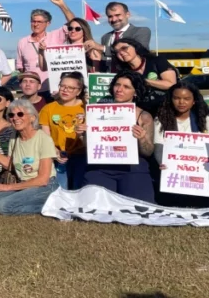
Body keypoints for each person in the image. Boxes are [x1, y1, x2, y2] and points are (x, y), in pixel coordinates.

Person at [78, 71, 157, 202]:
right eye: (117, 85)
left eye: (126, 87)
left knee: (138, 209)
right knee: (94, 207)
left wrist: (142, 138)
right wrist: (82, 135)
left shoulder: (144, 116)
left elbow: (148, 152)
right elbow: (88, 147)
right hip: (101, 168)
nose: (119, 89)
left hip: (133, 169)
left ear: (135, 92)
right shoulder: (97, 112)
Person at [153, 82, 209, 208]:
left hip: (201, 166)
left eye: (186, 98)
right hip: (174, 168)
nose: (181, 102)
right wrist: (162, 163)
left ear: (194, 101)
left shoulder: (205, 117)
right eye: (176, 98)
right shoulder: (161, 119)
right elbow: (159, 147)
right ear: (170, 100)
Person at [0, 98, 58, 215]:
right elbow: (10, 165)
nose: (15, 118)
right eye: (11, 115)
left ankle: (54, 207)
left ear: (32, 117)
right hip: (24, 184)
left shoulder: (43, 139)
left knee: (3, 207)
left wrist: (8, 187)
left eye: (20, 114)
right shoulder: (14, 136)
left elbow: (43, 180)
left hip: (44, 186)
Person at [15, 0, 77, 91]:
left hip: (53, 89)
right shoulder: (23, 42)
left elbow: (74, 23)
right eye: (33, 21)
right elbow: (21, 68)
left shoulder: (55, 36)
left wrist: (62, 5)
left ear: (48, 23)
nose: (36, 24)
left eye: (39, 22)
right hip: (33, 91)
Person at [38, 71, 88, 190]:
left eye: (71, 88)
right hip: (58, 157)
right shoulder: (48, 109)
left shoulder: (87, 107)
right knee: (61, 191)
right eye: (63, 86)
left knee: (79, 190)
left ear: (79, 91)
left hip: (82, 156)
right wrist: (55, 152)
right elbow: (45, 136)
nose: (65, 90)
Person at [112, 37, 178, 112]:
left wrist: (143, 81)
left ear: (135, 47)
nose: (121, 53)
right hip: (143, 110)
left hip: (166, 107)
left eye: (124, 48)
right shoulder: (124, 72)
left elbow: (171, 84)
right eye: (117, 51)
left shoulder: (157, 61)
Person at [101, 2, 152, 68]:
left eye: (117, 15)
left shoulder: (141, 31)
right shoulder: (105, 37)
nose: (114, 19)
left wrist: (103, 48)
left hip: (133, 73)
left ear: (127, 14)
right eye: (110, 16)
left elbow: (139, 51)